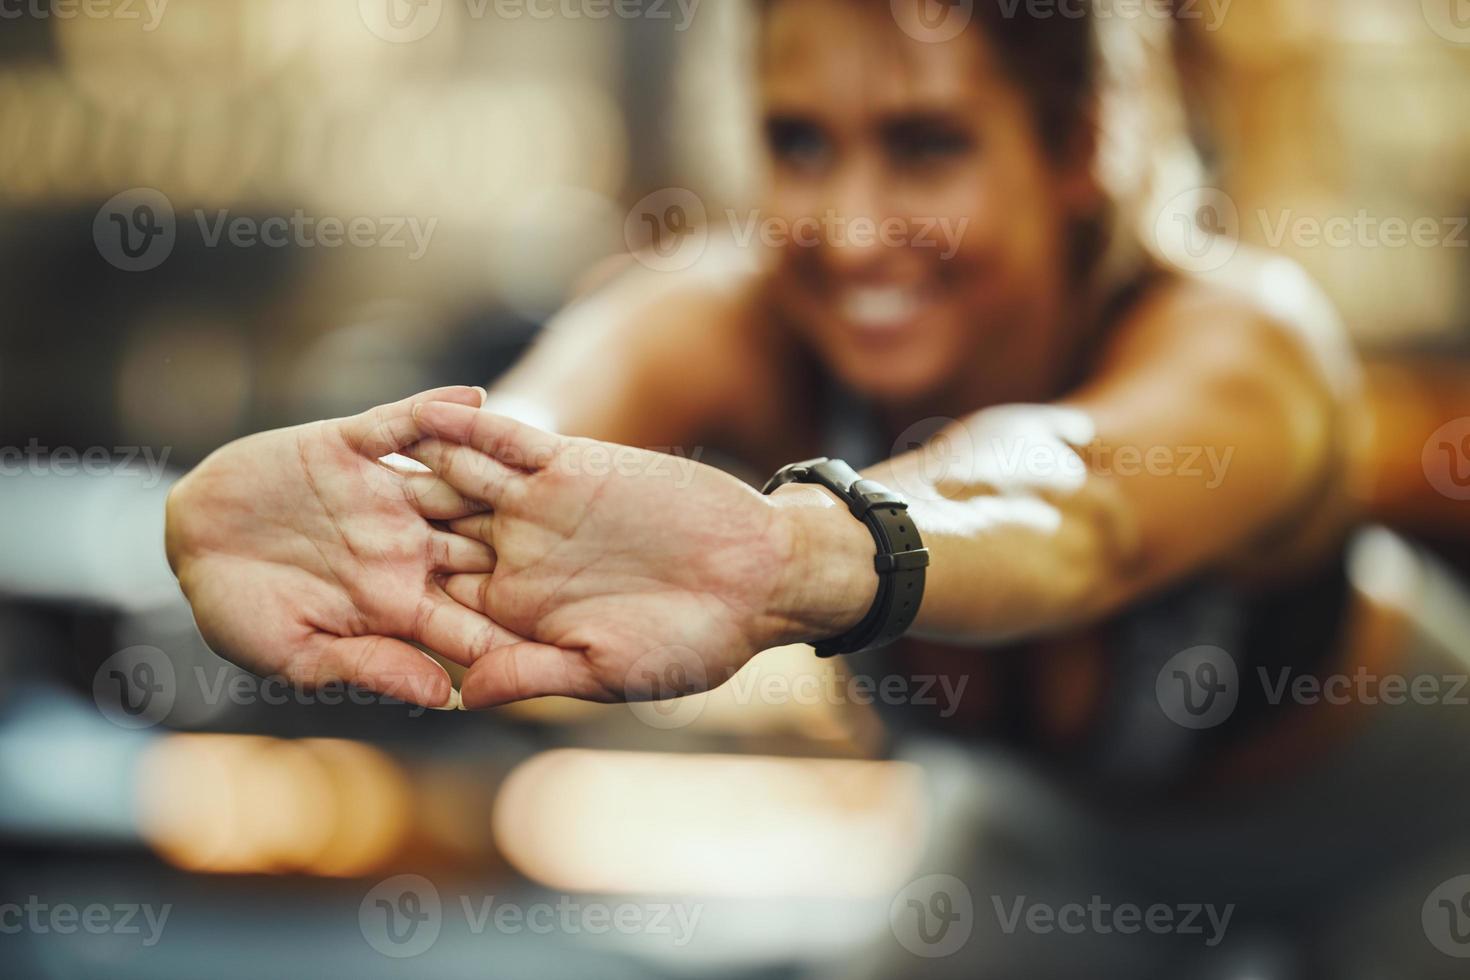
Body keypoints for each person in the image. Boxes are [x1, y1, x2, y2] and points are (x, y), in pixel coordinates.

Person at [165, 1, 1470, 975]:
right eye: (799, 144)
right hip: (1051, 848)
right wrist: (394, 508)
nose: (847, 226)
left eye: (924, 146)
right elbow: (530, 434)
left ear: (1073, 146)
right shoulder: (732, 319)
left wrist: (802, 550)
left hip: (1408, 840)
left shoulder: (1243, 345)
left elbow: (1069, 503)